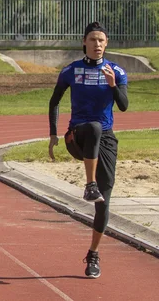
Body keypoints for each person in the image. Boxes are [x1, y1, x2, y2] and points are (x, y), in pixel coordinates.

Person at [47, 21, 128, 279]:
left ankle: (93, 254)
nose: (97, 44)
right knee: (92, 126)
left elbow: (124, 106)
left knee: (104, 203)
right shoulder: (71, 70)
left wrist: (114, 85)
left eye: (101, 40)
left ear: (107, 44)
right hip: (77, 136)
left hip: (105, 140)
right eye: (92, 39)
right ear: (84, 42)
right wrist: (52, 134)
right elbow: (54, 101)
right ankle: (89, 183)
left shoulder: (116, 71)